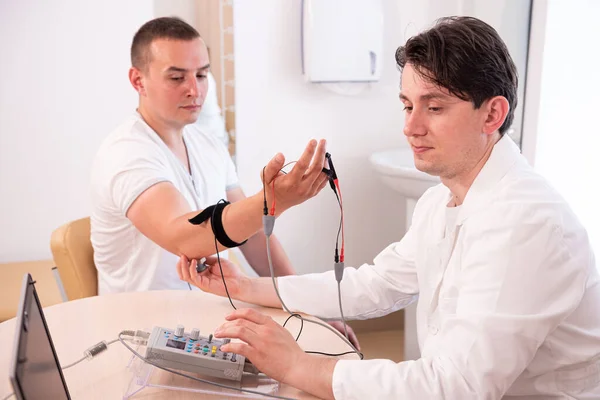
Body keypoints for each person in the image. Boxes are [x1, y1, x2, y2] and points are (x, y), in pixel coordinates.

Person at [178, 16, 600, 399]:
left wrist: (298, 365)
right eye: (407, 104)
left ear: (492, 114)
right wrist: (248, 287)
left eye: (434, 107)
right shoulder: (441, 200)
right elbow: (377, 284)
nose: (410, 126)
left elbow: (454, 388)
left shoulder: (529, 223)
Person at [89, 16, 358, 346]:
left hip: (208, 321)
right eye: (177, 77)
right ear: (138, 80)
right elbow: (184, 237)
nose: (195, 89)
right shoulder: (126, 154)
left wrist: (308, 306)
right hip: (140, 335)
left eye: (202, 74)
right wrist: (272, 201)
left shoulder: (207, 145)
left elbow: (253, 236)